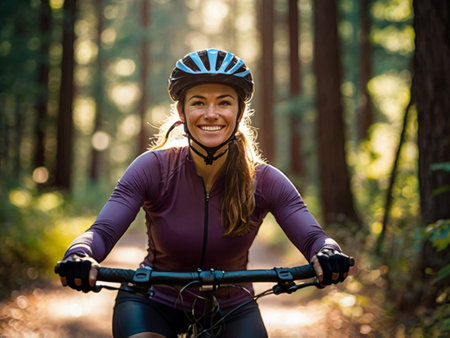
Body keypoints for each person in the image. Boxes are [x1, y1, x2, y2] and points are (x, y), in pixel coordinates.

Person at [57, 48, 352, 338]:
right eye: (199, 103)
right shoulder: (152, 168)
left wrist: (327, 252)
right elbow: (102, 231)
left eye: (224, 102)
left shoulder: (265, 180)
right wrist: (80, 254)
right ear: (182, 112)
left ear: (239, 111)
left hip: (233, 306)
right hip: (152, 300)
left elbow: (314, 237)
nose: (211, 114)